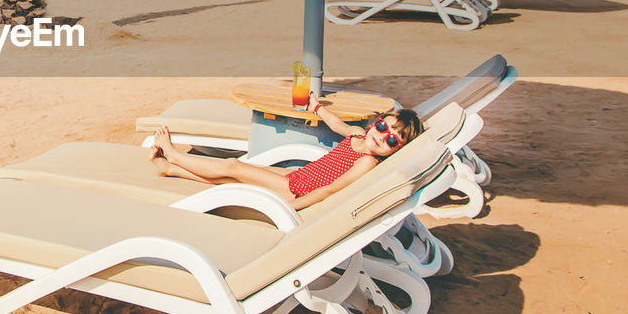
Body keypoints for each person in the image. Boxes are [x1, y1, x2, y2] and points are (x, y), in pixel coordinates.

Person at [149, 100, 423, 210]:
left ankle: (175, 156)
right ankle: (171, 169)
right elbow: (337, 124)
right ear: (376, 122)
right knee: (230, 181)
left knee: (234, 166)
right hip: (297, 177)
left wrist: (293, 207)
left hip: (295, 190)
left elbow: (330, 191)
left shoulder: (366, 162)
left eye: (391, 139)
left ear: (395, 149)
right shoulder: (360, 135)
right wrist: (316, 106)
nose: (381, 135)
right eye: (382, 126)